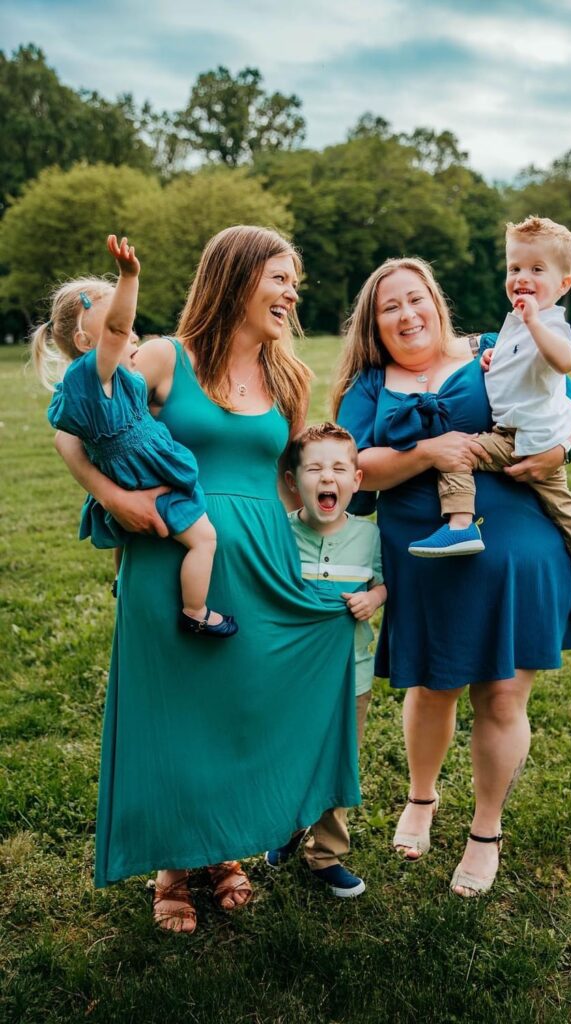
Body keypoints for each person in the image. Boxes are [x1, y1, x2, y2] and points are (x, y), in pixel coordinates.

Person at [54, 226, 359, 934]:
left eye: (294, 282)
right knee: (176, 715)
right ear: (236, 276)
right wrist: (112, 498)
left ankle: (223, 852)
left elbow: (289, 483)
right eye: (279, 278)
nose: (290, 293)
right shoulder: (166, 357)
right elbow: (77, 421)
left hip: (260, 564)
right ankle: (169, 870)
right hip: (172, 558)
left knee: (238, 707)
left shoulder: (291, 378)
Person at [333, 255, 571, 897]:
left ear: (436, 300)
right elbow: (354, 468)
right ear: (373, 323)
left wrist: (559, 449)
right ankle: (421, 798)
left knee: (504, 694)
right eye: (389, 306)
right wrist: (426, 453)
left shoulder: (497, 344)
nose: (406, 314)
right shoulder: (370, 383)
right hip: (424, 557)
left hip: (519, 546)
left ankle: (486, 829)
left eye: (415, 298)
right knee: (433, 685)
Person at [408, 217, 571, 621]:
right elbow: (521, 366)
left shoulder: (550, 323)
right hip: (535, 433)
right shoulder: (518, 326)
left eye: (536, 270)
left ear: (563, 285)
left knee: (460, 452)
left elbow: (564, 360)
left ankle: (459, 524)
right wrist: (494, 359)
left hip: (522, 435)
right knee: (561, 504)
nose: (522, 277)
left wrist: (533, 323)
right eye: (514, 269)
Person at [34, 235, 236, 638]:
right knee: (204, 540)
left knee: (123, 537)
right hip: (144, 475)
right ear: (86, 342)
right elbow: (115, 325)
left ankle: (122, 581)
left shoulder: (102, 384)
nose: (132, 337)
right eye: (123, 333)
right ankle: (196, 611)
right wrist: (129, 277)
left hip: (126, 472)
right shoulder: (94, 376)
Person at [265, 423, 386, 898]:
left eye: (339, 468)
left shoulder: (370, 537)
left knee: (339, 761)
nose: (326, 477)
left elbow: (385, 582)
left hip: (348, 675)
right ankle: (286, 829)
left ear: (357, 480)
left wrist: (374, 598)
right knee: (289, 756)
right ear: (294, 481)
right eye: (314, 468)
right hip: (290, 678)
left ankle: (326, 853)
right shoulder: (278, 535)